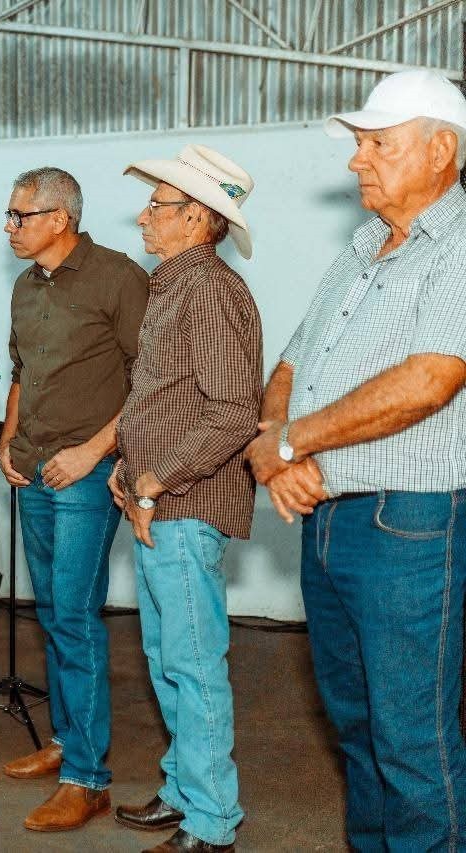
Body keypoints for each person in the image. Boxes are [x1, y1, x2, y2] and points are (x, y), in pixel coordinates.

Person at [243, 70, 466, 850]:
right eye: (359, 144)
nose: (355, 160)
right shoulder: (362, 249)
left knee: (411, 739)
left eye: (378, 144)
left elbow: (430, 378)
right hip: (329, 515)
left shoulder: (459, 246)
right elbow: (290, 363)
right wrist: (281, 449)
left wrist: (294, 442)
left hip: (409, 522)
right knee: (358, 726)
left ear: (440, 151)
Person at [112, 145, 262, 853]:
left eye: (158, 205)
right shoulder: (173, 285)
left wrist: (155, 478)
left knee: (194, 664)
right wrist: (129, 466)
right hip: (159, 503)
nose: (144, 216)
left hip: (184, 504)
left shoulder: (207, 290)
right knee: (167, 656)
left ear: (197, 218)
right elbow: (165, 398)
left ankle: (213, 820)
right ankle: (184, 789)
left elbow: (233, 413)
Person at [0, 167, 149, 831]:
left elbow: (149, 380)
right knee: (54, 610)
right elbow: (22, 374)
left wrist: (93, 451)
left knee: (77, 616)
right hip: (32, 467)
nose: (10, 227)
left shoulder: (118, 278)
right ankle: (65, 741)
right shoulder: (26, 286)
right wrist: (9, 440)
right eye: (9, 215)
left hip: (87, 472)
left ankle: (87, 779)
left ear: (60, 218)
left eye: (20, 215)